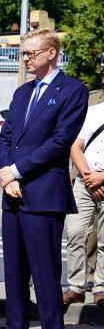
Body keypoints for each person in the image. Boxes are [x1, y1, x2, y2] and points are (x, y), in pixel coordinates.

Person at [0, 30, 89, 329]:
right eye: (23, 53)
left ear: (52, 53)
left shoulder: (72, 90)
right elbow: (7, 137)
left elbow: (60, 141)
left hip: (44, 195)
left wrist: (17, 170)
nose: (25, 59)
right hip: (13, 193)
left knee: (45, 278)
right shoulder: (22, 91)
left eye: (30, 53)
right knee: (14, 276)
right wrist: (6, 175)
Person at [65, 95, 104, 306]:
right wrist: (90, 177)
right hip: (85, 180)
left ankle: (101, 288)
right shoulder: (92, 112)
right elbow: (75, 147)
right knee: (75, 232)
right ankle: (76, 288)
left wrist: (102, 177)